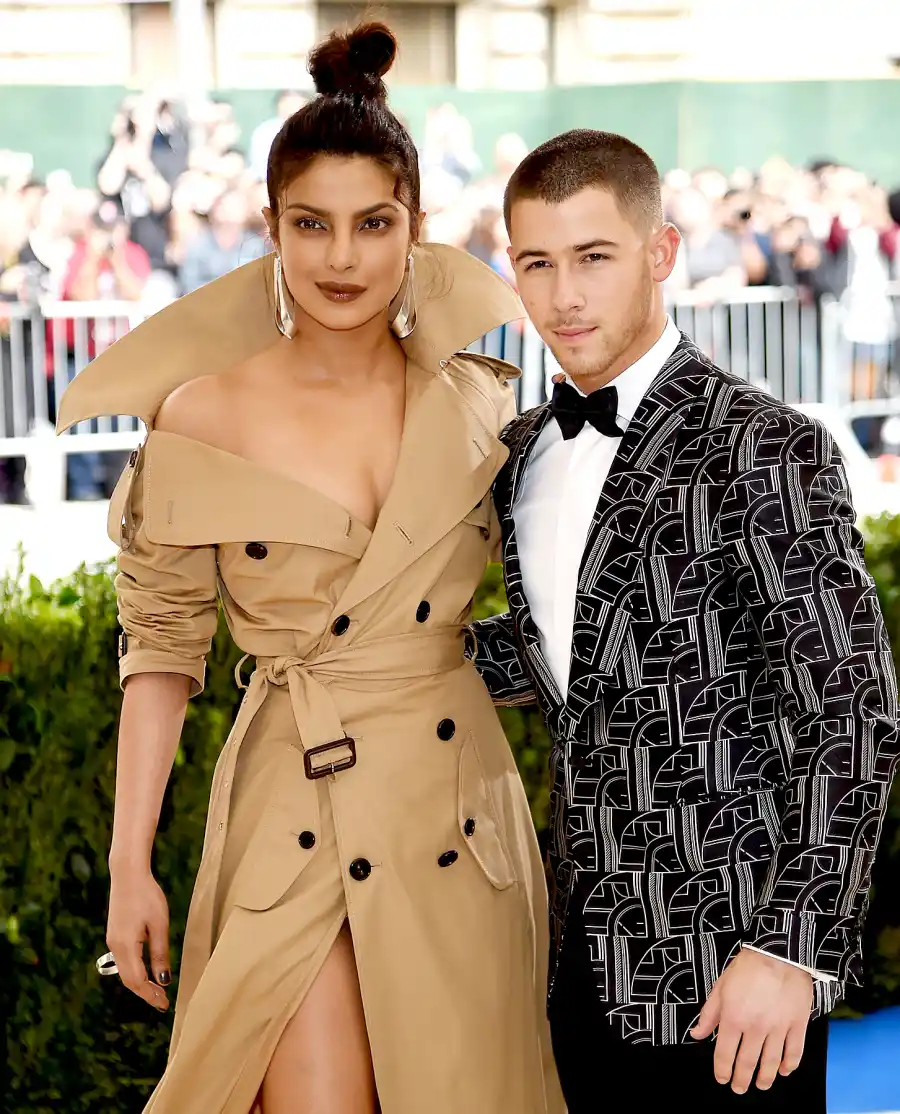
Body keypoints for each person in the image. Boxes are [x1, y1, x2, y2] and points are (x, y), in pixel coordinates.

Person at [57, 22, 564, 1114]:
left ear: (415, 228)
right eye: (312, 224)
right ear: (271, 229)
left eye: (374, 223)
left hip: (456, 815)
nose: (343, 258)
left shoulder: (481, 403)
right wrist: (129, 864)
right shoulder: (201, 413)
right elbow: (160, 649)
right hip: (296, 801)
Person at [469, 129, 900, 1111]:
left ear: (660, 253)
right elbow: (572, 656)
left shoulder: (765, 445)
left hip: (736, 970)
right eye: (537, 263)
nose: (564, 295)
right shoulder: (523, 453)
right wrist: (384, 655)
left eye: (594, 256)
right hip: (576, 966)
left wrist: (793, 946)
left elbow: (851, 709)